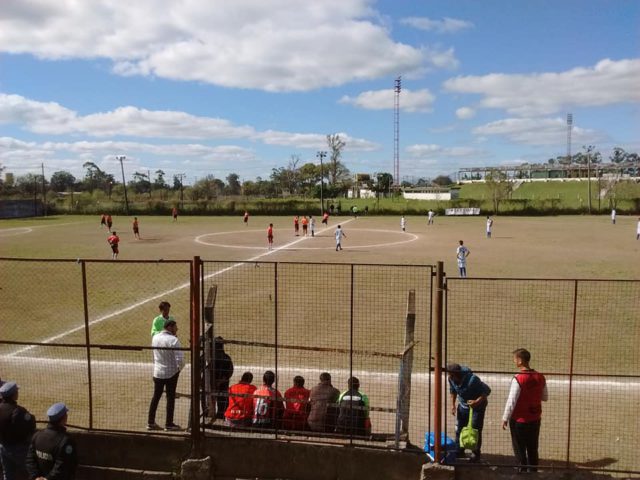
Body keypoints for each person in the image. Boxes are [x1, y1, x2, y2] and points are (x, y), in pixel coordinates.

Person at [502, 348, 548, 473]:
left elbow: (511, 401)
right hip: (535, 419)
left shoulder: (518, 378)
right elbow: (545, 397)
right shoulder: (540, 376)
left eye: (515, 358)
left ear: (520, 360)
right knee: (533, 447)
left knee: (519, 448)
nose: (514, 360)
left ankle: (521, 471)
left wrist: (505, 418)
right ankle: (533, 472)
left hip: (519, 421)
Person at [447, 363, 491, 462]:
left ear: (455, 374)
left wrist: (476, 402)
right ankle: (459, 450)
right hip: (463, 406)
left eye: (450, 374)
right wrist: (453, 405)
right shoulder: (451, 379)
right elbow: (453, 391)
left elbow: (486, 391)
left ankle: (475, 454)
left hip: (477, 408)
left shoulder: (473, 380)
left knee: (475, 430)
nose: (448, 376)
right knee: (460, 428)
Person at [147, 319, 184, 431]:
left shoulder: (155, 337)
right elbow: (180, 360)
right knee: (170, 398)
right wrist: (178, 369)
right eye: (175, 327)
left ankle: (150, 422)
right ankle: (169, 424)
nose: (177, 329)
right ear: (170, 327)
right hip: (171, 373)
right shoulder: (174, 340)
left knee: (156, 397)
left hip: (157, 372)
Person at [25, 403, 76, 480]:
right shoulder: (65, 441)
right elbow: (63, 466)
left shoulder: (37, 436)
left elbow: (30, 459)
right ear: (63, 418)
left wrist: (36, 477)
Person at [0, 382, 36, 480]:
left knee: (7, 474)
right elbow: (31, 423)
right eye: (16, 391)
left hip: (3, 446)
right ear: (13, 395)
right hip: (18, 449)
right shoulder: (18, 411)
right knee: (32, 471)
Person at [213, 337, 234, 420]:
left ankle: (207, 416)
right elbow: (230, 372)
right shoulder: (226, 357)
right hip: (223, 384)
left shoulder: (208, 356)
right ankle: (221, 417)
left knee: (207, 402)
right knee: (222, 403)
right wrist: (221, 381)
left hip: (210, 383)